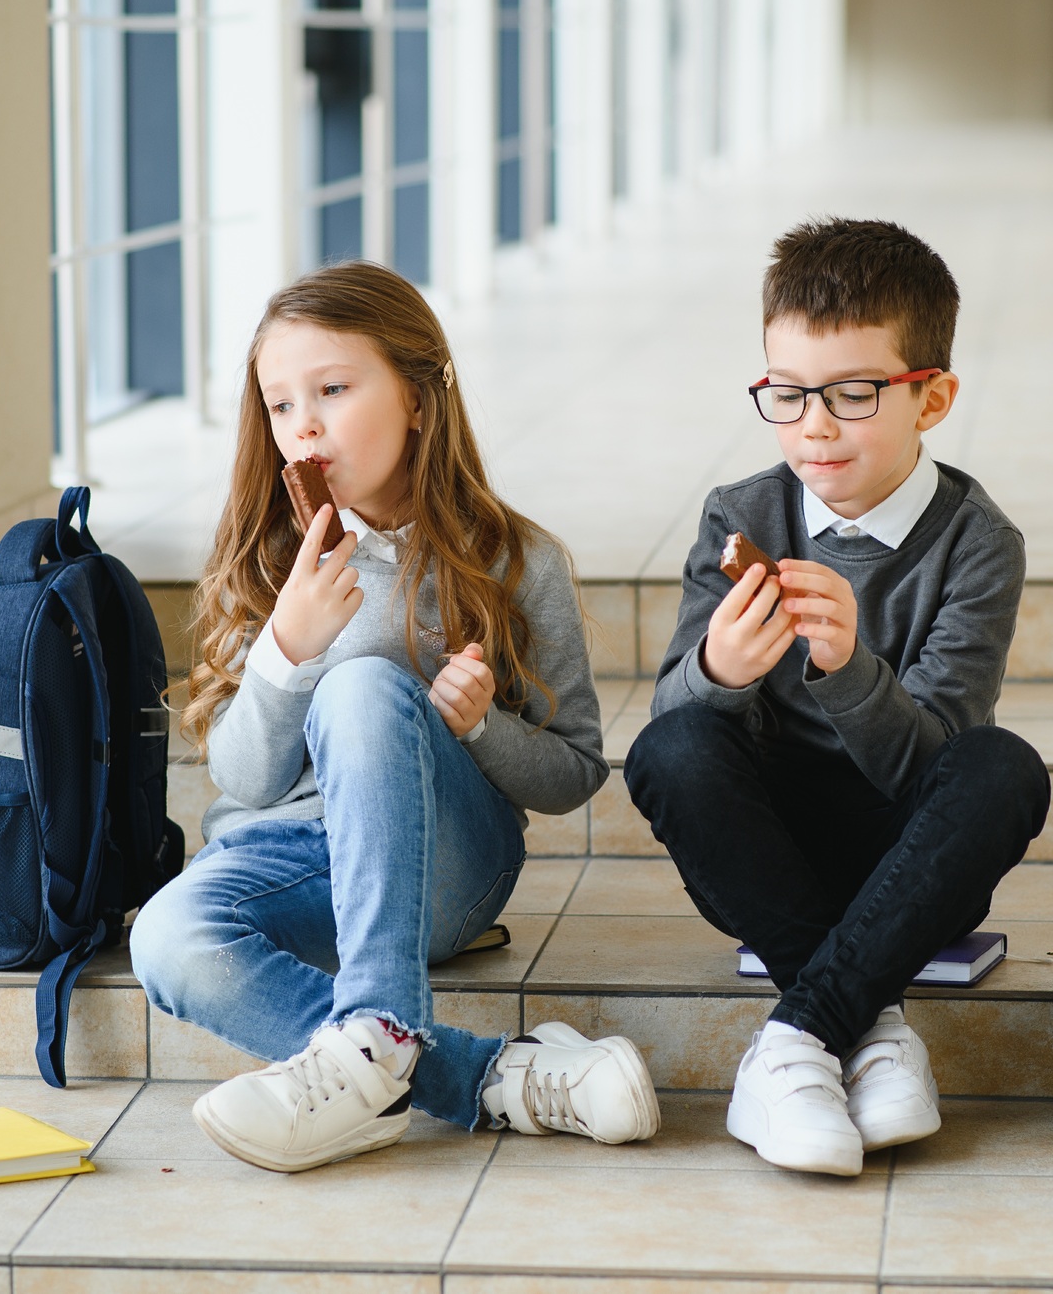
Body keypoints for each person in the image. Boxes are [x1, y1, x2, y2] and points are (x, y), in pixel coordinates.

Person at [130, 261, 659, 1173]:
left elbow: (574, 775)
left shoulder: (516, 561)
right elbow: (246, 783)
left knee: (364, 685)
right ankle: (483, 1076)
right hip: (288, 859)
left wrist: (483, 726)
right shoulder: (267, 559)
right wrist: (285, 651)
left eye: (333, 389)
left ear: (417, 397)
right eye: (281, 403)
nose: (305, 424)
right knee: (166, 941)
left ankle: (374, 1028)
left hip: (445, 864)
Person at [624, 218, 1050, 1176]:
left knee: (1004, 768)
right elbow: (670, 737)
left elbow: (936, 761)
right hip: (764, 857)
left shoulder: (978, 542)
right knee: (673, 749)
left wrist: (852, 667)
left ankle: (796, 1038)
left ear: (931, 397)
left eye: (854, 394)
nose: (813, 424)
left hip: (910, 858)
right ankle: (871, 1021)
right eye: (786, 393)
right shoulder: (742, 513)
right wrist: (722, 673)